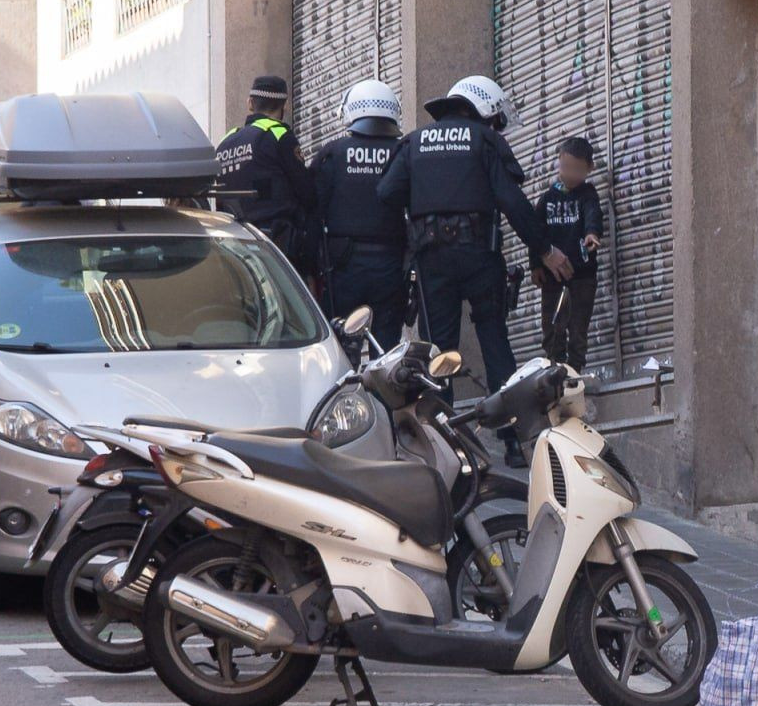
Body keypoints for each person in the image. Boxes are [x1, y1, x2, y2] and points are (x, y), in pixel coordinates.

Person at [376, 75, 574, 468]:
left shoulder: (414, 142)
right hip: (480, 256)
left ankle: (445, 444)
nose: (496, 127)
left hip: (432, 260)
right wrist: (546, 250)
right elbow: (513, 203)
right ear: (484, 109)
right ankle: (516, 440)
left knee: (439, 352)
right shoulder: (484, 140)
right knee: (495, 340)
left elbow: (386, 193)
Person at [309, 79, 406, 347]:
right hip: (391, 265)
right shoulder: (403, 151)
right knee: (386, 350)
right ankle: (380, 391)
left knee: (341, 347)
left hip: (343, 268)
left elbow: (313, 209)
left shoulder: (333, 153)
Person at [215, 75, 316, 275]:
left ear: (250, 103)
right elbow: (307, 193)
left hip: (235, 247)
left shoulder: (225, 143)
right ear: (284, 106)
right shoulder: (278, 135)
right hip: (277, 247)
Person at [529, 137, 604, 372]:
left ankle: (575, 371)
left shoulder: (587, 195)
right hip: (553, 278)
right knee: (552, 328)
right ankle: (555, 371)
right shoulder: (548, 198)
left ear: (589, 169)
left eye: (577, 169)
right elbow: (535, 233)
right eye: (565, 167)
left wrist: (591, 234)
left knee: (578, 327)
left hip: (582, 276)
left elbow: (593, 215)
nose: (570, 174)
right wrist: (536, 266)